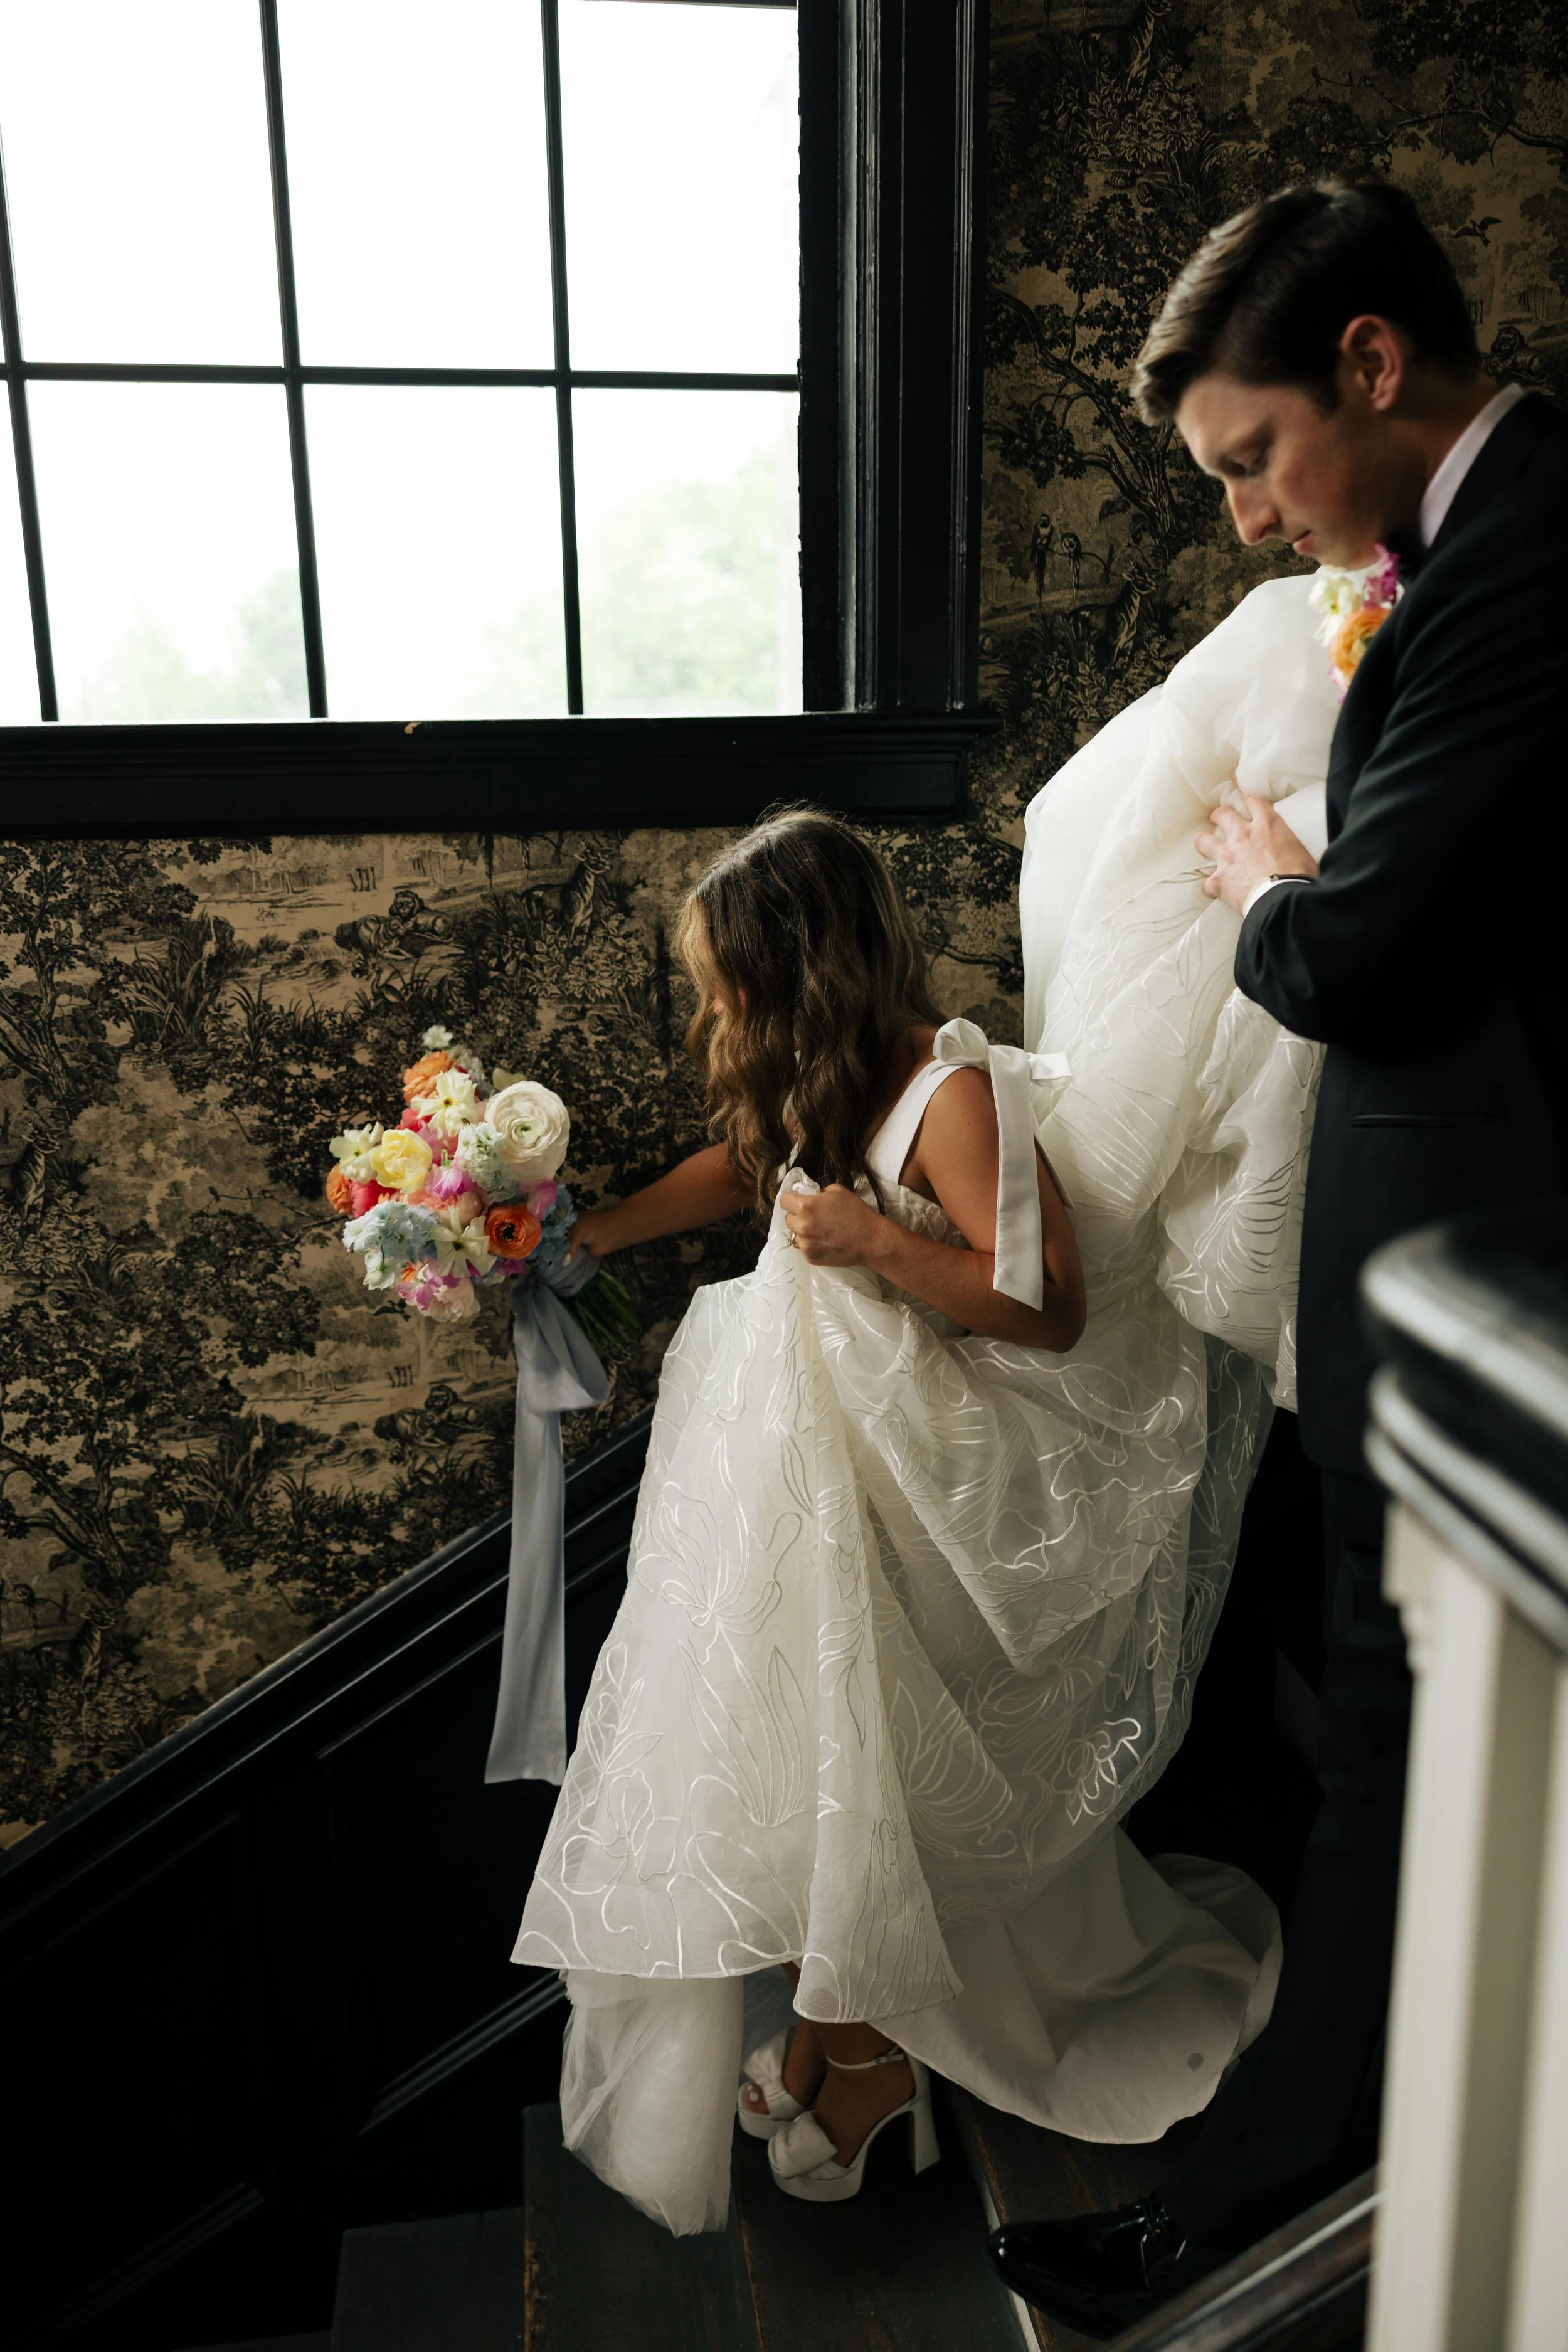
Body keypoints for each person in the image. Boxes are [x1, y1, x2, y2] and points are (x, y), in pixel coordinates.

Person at [987, 177, 1568, 2338]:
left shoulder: (1536, 544)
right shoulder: (1470, 547)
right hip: (1442, 1267)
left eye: (1250, 458)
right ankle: (1272, 2208)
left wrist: (1264, 883)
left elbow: (1373, 939)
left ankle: (1242, 2233)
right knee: (1402, 1770)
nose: (1242, 518)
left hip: (1492, 1270)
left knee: (1411, 1769)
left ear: (1372, 366)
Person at [512, 810, 1286, 2235]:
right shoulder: (823, 1073)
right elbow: (751, 1174)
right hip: (857, 1458)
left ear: (797, 971)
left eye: (724, 982)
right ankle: (839, 2035)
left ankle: (864, 2060)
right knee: (785, 1713)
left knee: (836, 1723)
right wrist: (589, 1235)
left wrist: (873, 1243)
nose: (711, 1011)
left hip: (977, 1466)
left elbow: (1046, 1308)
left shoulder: (950, 1091)